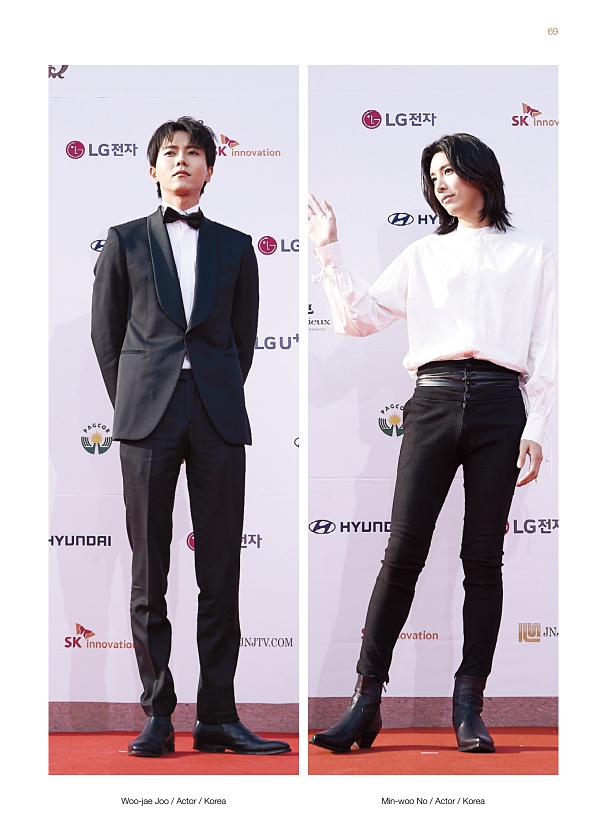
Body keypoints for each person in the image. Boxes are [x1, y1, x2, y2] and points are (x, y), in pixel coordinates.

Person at [307, 133, 556, 754]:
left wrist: (536, 427)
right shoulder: (422, 252)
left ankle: (468, 705)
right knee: (402, 553)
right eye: (434, 174)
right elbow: (359, 320)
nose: (441, 183)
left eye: (451, 171)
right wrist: (328, 251)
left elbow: (547, 347)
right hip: (432, 400)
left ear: (482, 175)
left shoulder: (532, 253)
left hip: (501, 405)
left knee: (483, 559)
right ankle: (365, 703)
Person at [92, 116, 290, 757]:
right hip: (146, 419)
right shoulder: (123, 241)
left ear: (210, 169)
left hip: (215, 415)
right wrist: (134, 399)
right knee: (149, 569)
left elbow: (243, 338)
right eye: (171, 153)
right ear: (152, 168)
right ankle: (157, 713)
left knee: (221, 569)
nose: (182, 160)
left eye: (194, 153)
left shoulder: (236, 246)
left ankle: (218, 717)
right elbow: (106, 336)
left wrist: (215, 391)